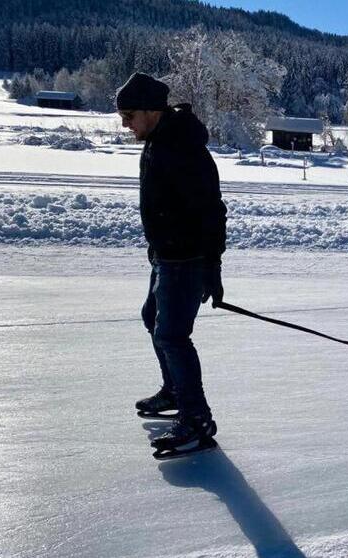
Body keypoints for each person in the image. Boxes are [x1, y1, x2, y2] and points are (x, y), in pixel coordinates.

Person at [117, 72, 227, 454]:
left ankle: (197, 419)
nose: (125, 123)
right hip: (165, 255)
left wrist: (211, 266)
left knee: (172, 335)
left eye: (129, 115)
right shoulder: (157, 140)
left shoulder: (182, 147)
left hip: (187, 258)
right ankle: (174, 391)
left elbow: (212, 210)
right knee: (153, 319)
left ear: (151, 110)